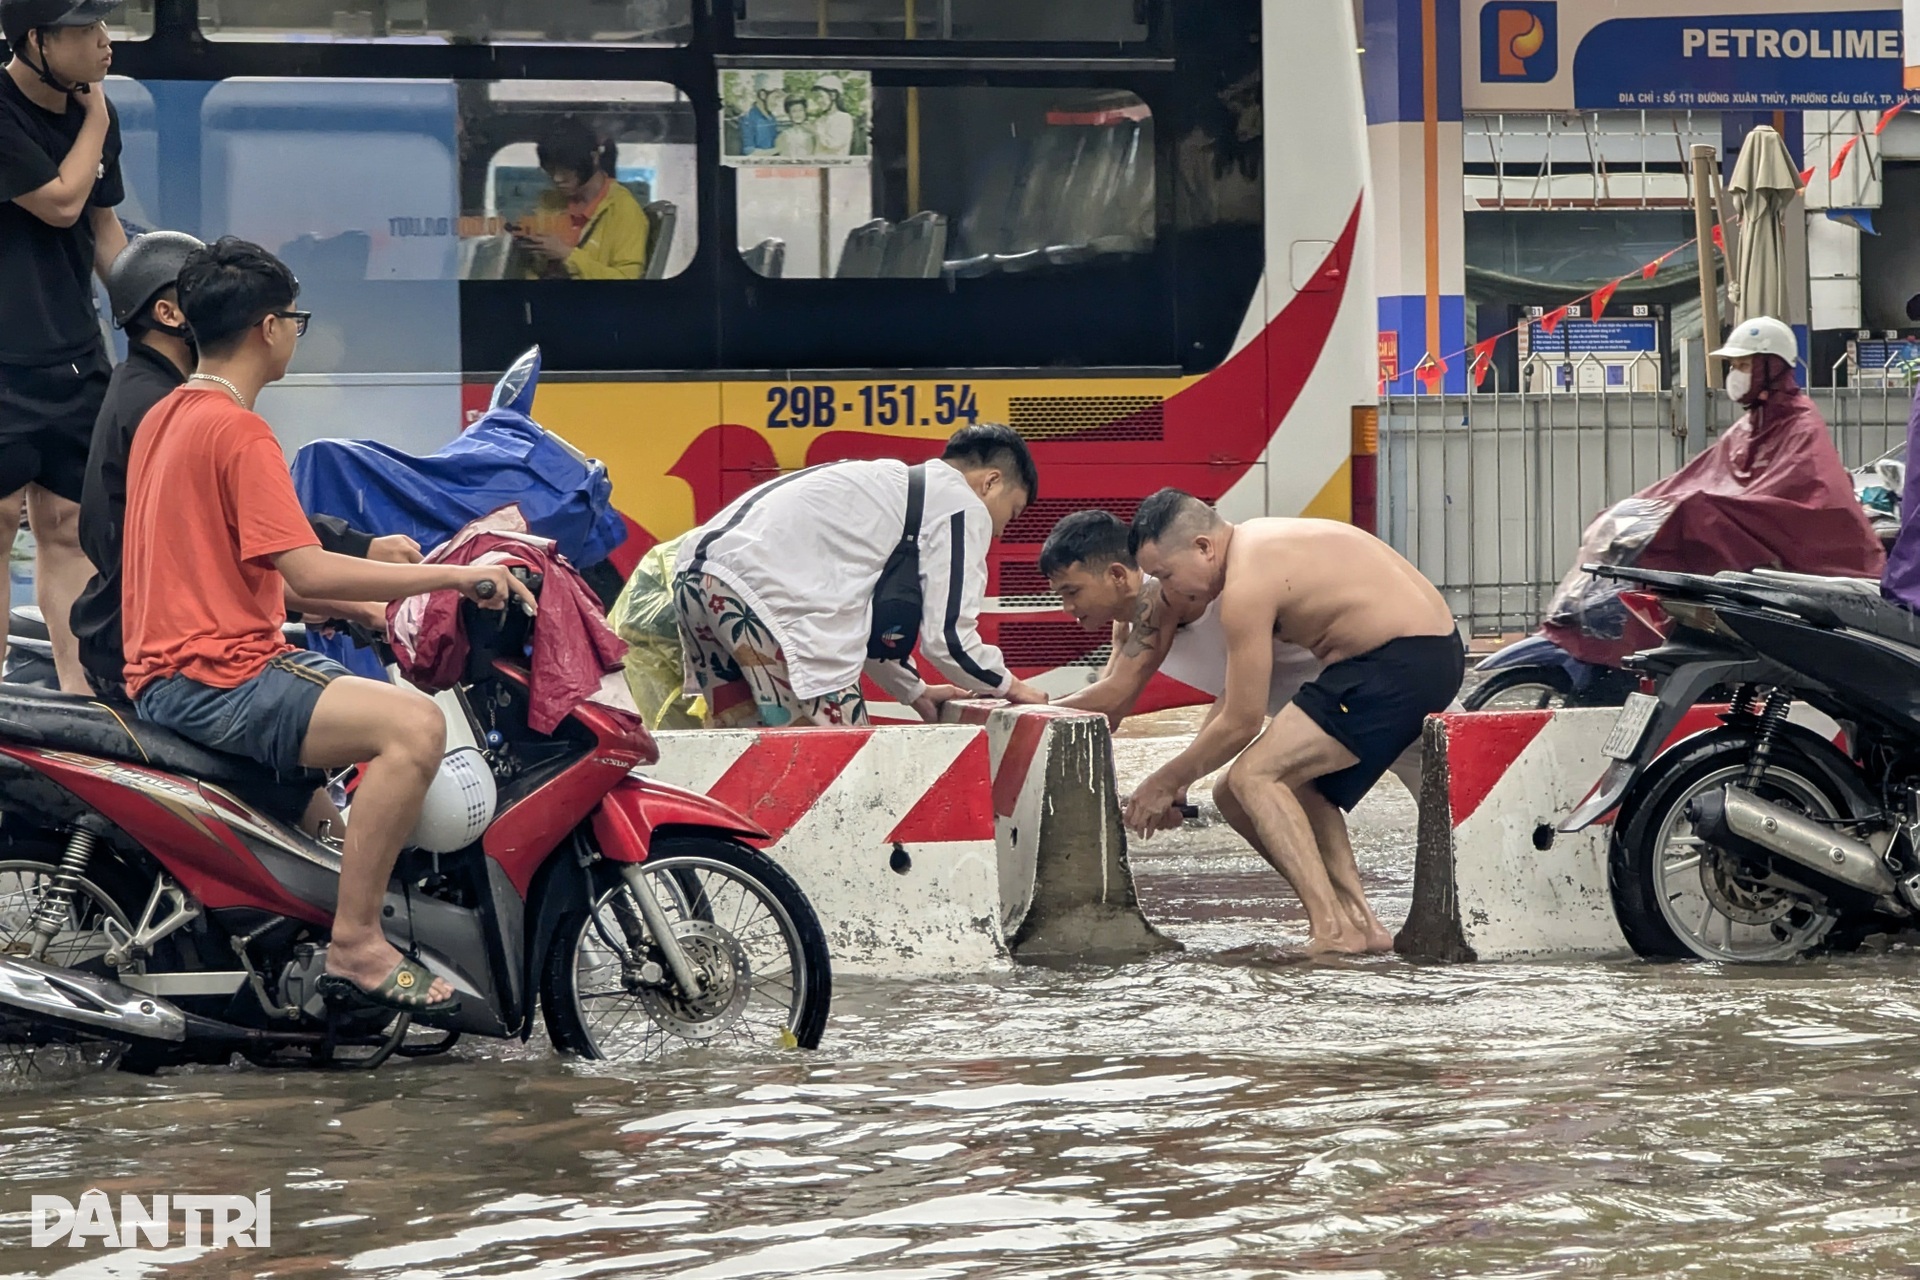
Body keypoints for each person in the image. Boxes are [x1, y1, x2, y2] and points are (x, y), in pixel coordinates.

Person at [121, 237, 535, 1015]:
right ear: (267, 328)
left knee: (330, 816)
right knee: (413, 728)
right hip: (218, 678)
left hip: (173, 672)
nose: (294, 336)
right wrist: (457, 575)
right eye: (295, 321)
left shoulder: (167, 415)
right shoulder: (238, 431)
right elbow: (308, 569)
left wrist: (363, 611)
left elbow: (239, 574)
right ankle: (357, 947)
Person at [72, 230, 423, 701]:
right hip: (180, 661)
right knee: (411, 727)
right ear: (171, 314)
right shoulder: (177, 411)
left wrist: (351, 583)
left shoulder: (162, 399)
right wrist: (392, 587)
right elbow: (224, 556)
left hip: (146, 647)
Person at [1123, 491, 1465, 956]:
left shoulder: (1246, 584)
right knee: (1246, 789)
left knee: (1255, 774)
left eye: (1166, 574)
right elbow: (1233, 702)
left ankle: (1332, 930)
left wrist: (1166, 780)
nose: (1167, 591)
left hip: (1400, 662)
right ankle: (1359, 924)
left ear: (1203, 547)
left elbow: (1243, 722)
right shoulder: (1258, 543)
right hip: (1402, 657)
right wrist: (1181, 779)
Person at [674, 423, 1050, 728]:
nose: (1000, 530)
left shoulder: (886, 487)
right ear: (991, 482)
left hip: (697, 582)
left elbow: (866, 626)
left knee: (751, 759)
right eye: (1011, 512)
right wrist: (1011, 687)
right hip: (765, 594)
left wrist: (915, 691)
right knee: (838, 769)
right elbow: (950, 639)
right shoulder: (961, 504)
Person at [1041, 509, 1425, 796]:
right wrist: (1183, 778)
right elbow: (1112, 712)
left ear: (1117, 575)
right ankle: (1340, 907)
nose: (1067, 608)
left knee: (1252, 786)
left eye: (1072, 591)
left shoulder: (1158, 602)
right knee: (1274, 795)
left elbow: (1113, 696)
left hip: (1366, 688)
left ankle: (1340, 906)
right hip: (1322, 714)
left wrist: (1019, 709)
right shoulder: (1124, 627)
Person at [0, 0, 128, 694]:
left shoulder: (89, 115)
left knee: (71, 524)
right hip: (3, 361)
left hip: (76, 356)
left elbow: (104, 233)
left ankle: (80, 710)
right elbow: (59, 201)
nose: (106, 42)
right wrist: (99, 120)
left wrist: (153, 317)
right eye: (86, 30)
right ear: (36, 41)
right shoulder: (9, 110)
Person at [514, 116, 649, 281]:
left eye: (567, 170)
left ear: (594, 158)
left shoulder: (624, 211)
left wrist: (567, 255)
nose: (557, 178)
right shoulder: (549, 202)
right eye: (550, 170)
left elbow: (627, 279)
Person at [811, 74, 855, 157]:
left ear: (833, 96)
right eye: (816, 97)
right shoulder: (820, 120)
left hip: (837, 168)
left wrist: (816, 131)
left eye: (821, 96)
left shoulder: (843, 118)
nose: (818, 101)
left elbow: (833, 144)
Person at [739, 75, 781, 155]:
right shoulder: (747, 119)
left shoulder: (772, 118)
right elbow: (749, 152)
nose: (777, 103)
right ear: (763, 95)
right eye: (775, 98)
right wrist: (778, 150)